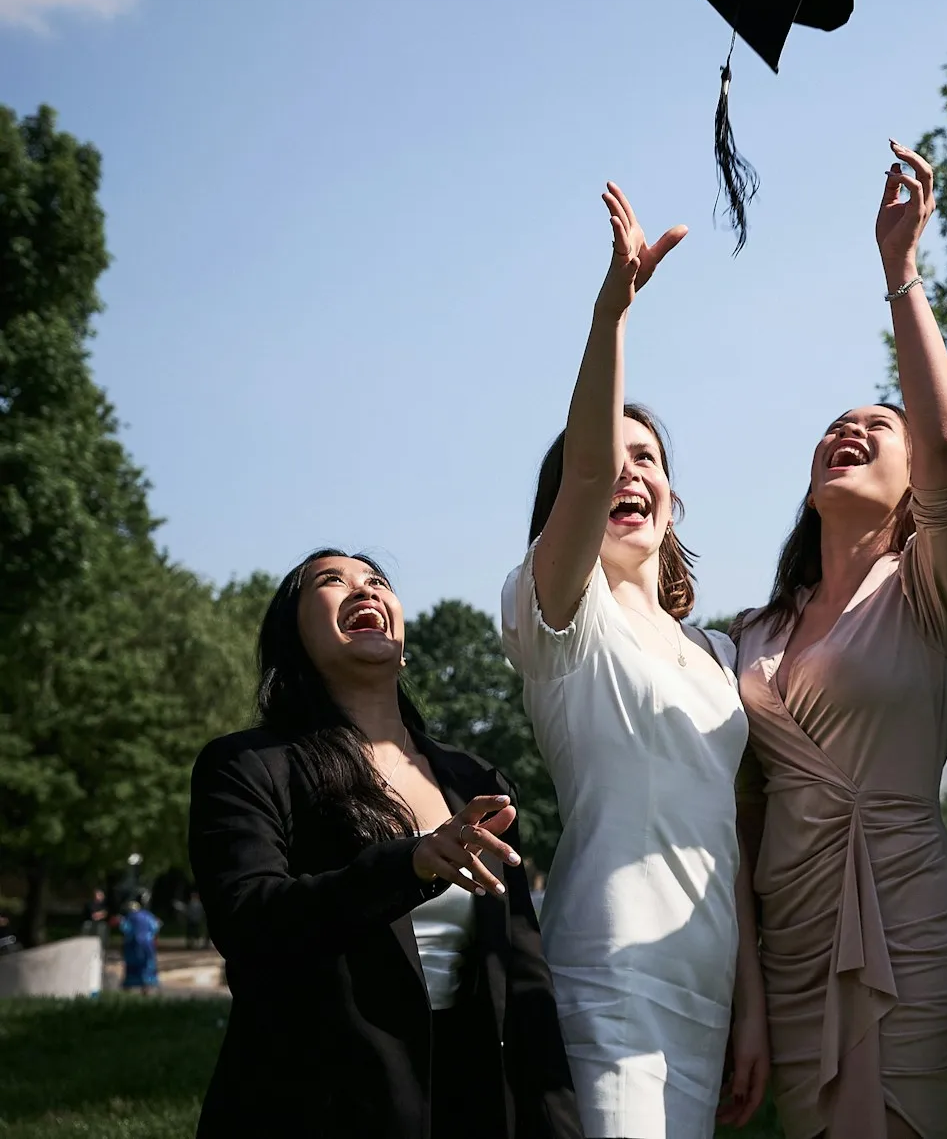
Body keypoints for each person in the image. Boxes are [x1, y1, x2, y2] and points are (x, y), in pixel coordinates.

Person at [732, 142, 947, 1139]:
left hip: (909, 922)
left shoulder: (934, 591)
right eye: (833, 425)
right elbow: (742, 822)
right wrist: (747, 997)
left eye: (873, 427)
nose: (849, 429)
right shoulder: (746, 636)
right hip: (788, 935)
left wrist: (900, 276)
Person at [500, 183, 768, 1139]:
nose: (626, 471)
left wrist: (750, 1007)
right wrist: (611, 309)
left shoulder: (718, 653)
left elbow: (726, 840)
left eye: (646, 457)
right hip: (607, 968)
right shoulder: (559, 618)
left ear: (673, 496)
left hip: (705, 975)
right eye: (607, 457)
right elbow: (586, 469)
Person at [188, 550, 580, 1139]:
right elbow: (250, 922)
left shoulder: (477, 782)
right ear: (291, 634)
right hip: (318, 1105)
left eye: (377, 582)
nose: (364, 590)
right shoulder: (247, 766)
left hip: (469, 1099)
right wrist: (411, 863)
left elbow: (524, 975)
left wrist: (557, 1124)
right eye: (331, 581)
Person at [119, 899, 161, 993]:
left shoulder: (129, 917)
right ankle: (145, 988)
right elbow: (156, 926)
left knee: (132, 965)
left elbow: (126, 929)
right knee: (147, 964)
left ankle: (127, 989)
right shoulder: (148, 915)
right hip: (148, 944)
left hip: (133, 944)